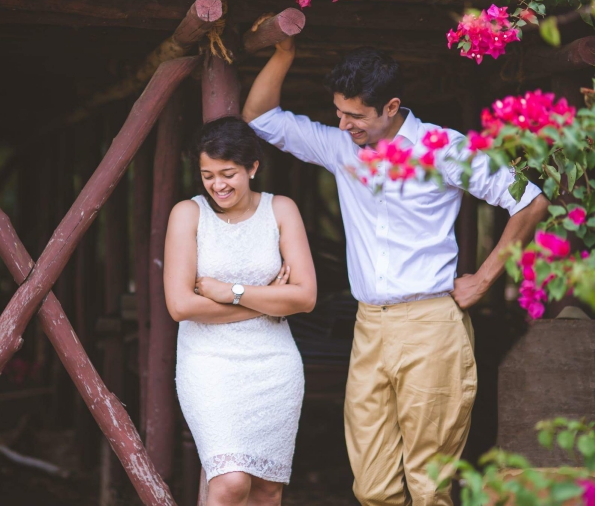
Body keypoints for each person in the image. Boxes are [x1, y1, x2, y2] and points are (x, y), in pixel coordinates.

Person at [242, 41, 550, 506]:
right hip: (369, 327)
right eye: (339, 113)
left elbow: (530, 200)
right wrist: (285, 50)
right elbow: (259, 117)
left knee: (428, 487)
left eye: (356, 116)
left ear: (391, 107)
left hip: (431, 327)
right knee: (372, 489)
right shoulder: (341, 146)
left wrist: (484, 278)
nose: (344, 125)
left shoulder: (443, 148)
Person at [163, 116, 318, 506]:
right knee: (230, 482)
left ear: (253, 167)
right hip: (209, 361)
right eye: (208, 175)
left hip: (273, 366)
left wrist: (227, 291)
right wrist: (265, 301)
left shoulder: (281, 210)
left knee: (267, 489)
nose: (218, 185)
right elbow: (181, 306)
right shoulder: (188, 214)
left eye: (228, 173)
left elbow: (305, 297)